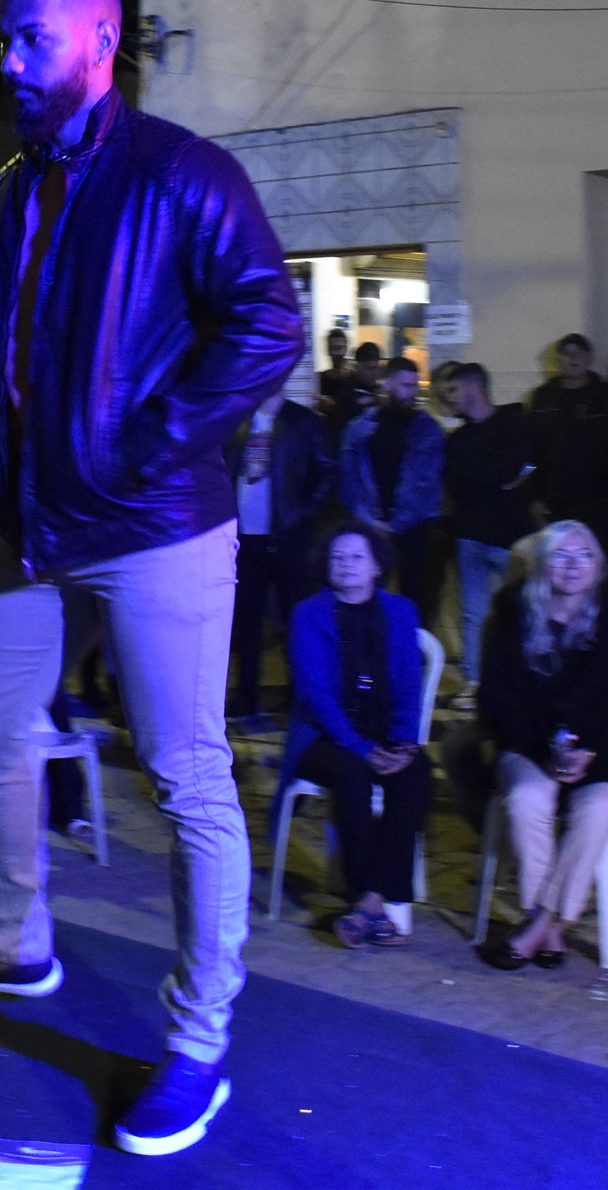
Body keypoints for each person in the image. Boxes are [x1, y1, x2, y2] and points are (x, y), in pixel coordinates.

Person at [0, 0, 300, 1158]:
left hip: (156, 522)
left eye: (30, 37)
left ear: (101, 39)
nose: (7, 59)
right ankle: (14, 942)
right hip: (34, 527)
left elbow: (270, 318)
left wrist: (150, 444)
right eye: (4, 37)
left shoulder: (183, 171)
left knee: (185, 774)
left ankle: (198, 1042)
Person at [474, 521, 608, 970]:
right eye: (561, 555)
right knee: (526, 798)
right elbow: (495, 700)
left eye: (584, 556)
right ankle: (551, 930)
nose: (573, 566)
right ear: (541, 564)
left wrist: (590, 752)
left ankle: (541, 922)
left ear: (598, 567)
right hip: (531, 747)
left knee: (597, 810)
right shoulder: (511, 614)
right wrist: (544, 751)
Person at [273, 523, 432, 948]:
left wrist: (403, 743)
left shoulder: (401, 611)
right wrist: (361, 748)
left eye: (357, 556)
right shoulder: (308, 614)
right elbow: (316, 696)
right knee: (352, 776)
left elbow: (408, 684)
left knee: (415, 776)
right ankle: (369, 900)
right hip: (324, 737)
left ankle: (370, 902)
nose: (346, 565)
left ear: (377, 565)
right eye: (337, 557)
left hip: (385, 732)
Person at [224, 388, 330, 721]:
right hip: (244, 540)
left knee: (295, 621)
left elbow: (327, 470)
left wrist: (302, 514)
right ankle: (246, 693)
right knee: (247, 623)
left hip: (289, 538)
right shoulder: (238, 417)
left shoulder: (302, 421)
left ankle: (300, 696)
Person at [444, 363, 539, 705]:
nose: (448, 397)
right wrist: (501, 478)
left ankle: (526, 682)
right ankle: (474, 682)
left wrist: (497, 475)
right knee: (473, 614)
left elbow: (514, 468)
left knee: (524, 611)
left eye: (453, 389)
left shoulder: (514, 422)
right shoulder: (457, 439)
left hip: (512, 537)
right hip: (470, 536)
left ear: (474, 386)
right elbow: (458, 484)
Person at [339, 358, 444, 620]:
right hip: (370, 525)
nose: (413, 392)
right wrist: (370, 520)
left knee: (413, 597)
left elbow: (428, 486)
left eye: (414, 385)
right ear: (387, 384)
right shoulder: (359, 429)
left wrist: (394, 524)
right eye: (406, 385)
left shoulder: (427, 429)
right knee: (366, 594)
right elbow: (348, 481)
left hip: (413, 528)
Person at [527, 335, 608, 556]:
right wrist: (534, 498)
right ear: (557, 360)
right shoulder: (543, 397)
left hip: (600, 506)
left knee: (596, 562)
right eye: (566, 353)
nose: (572, 358)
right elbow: (532, 450)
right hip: (554, 504)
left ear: (590, 358)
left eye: (579, 353)